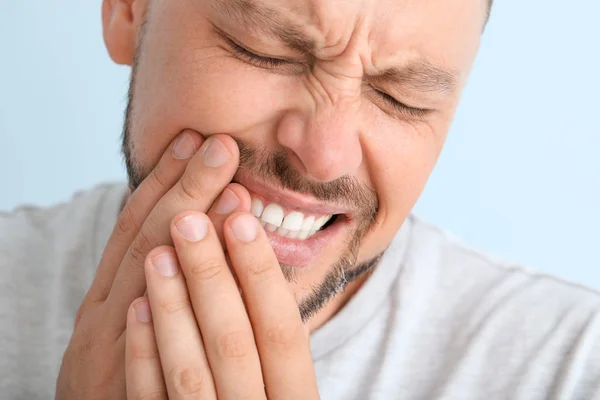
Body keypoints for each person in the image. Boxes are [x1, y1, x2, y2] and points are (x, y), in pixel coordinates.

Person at [2, 0, 600, 398]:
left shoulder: (572, 369)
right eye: (267, 52)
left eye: (401, 98)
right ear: (128, 11)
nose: (324, 153)